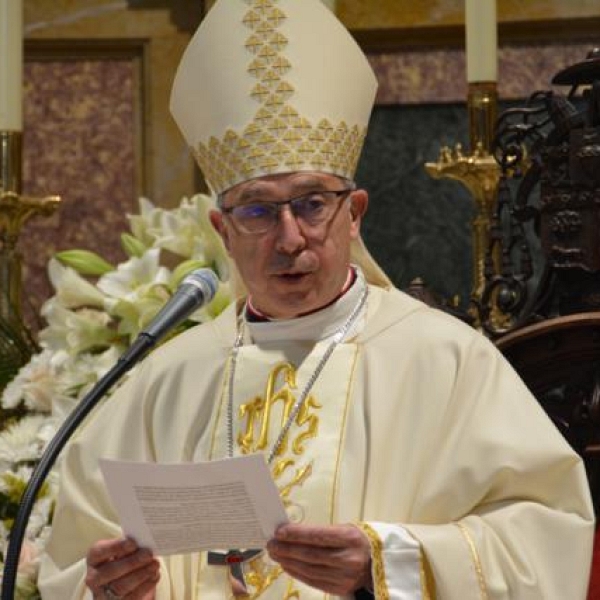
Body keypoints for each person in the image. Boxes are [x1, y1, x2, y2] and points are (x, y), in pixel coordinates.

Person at [39, 1, 594, 598]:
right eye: (256, 210)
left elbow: (549, 535)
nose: (289, 238)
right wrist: (112, 589)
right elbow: (75, 560)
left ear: (353, 215)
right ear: (222, 231)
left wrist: (385, 564)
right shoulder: (166, 381)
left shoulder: (447, 360)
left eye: (311, 203)